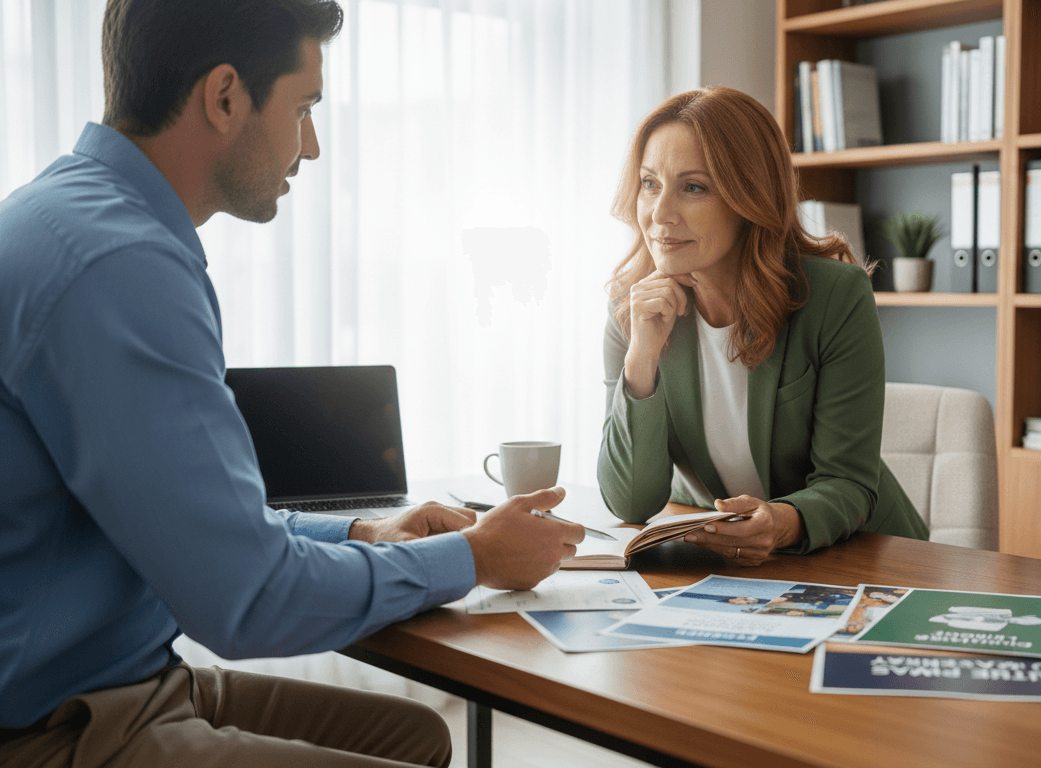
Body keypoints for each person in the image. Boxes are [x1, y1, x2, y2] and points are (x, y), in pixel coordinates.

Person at [0, 1, 583, 766]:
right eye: (304, 107)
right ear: (224, 97)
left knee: (416, 734)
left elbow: (205, 530)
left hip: (116, 681)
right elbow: (250, 602)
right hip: (55, 727)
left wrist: (362, 533)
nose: (310, 147)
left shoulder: (68, 214)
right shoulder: (119, 267)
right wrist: (473, 559)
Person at [598, 87, 929, 566]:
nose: (660, 214)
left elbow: (850, 483)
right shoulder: (634, 310)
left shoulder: (835, 296)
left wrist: (782, 522)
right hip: (735, 571)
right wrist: (641, 360)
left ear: (747, 196)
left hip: (863, 558)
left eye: (693, 187)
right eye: (650, 183)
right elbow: (630, 503)